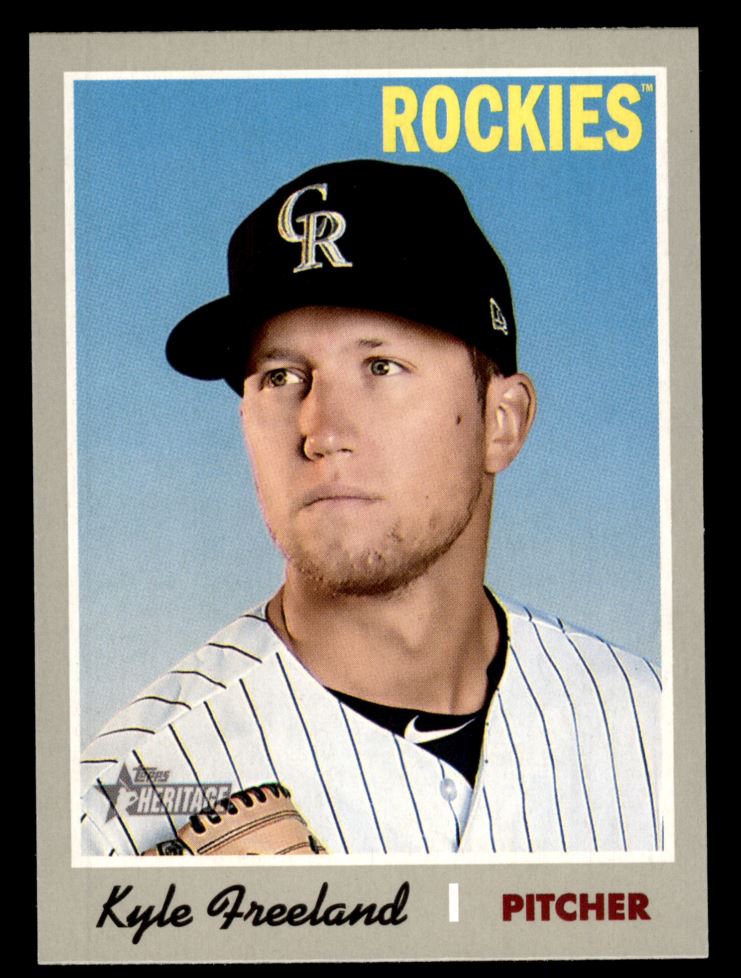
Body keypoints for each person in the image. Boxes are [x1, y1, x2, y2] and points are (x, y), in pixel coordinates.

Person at [80, 159, 662, 856]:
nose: (322, 432)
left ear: (501, 422)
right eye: (281, 376)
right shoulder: (123, 798)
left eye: (381, 367)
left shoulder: (648, 722)